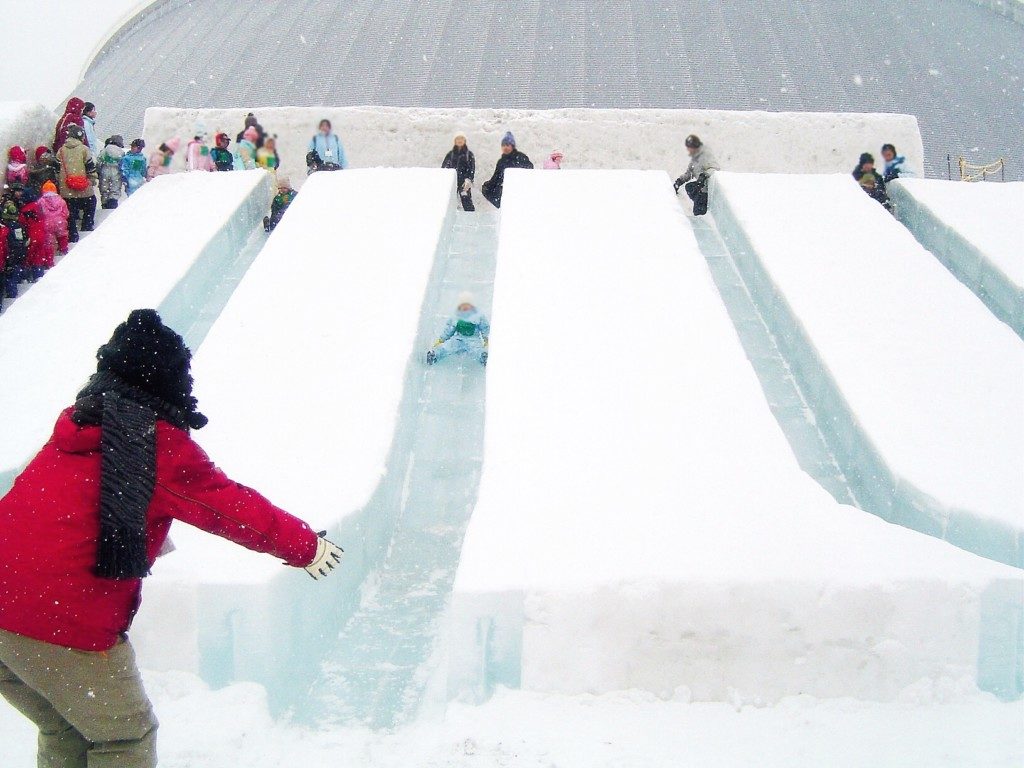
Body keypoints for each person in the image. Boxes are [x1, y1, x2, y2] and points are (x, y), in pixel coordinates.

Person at [0, 309, 343, 768]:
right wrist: (306, 546)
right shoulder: (150, 443)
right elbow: (226, 506)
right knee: (125, 738)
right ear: (169, 381)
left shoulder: (79, 426)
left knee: (67, 726)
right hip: (58, 621)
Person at [426, 292, 490, 366]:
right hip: (458, 338)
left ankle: (483, 357)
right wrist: (442, 339)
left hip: (473, 339)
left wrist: (486, 338)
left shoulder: (478, 315)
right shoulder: (456, 315)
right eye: (463, 305)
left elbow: (484, 327)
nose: (465, 307)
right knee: (448, 347)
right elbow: (450, 328)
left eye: (467, 305)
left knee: (476, 349)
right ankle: (434, 355)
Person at [58, 124, 98, 241]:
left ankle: (72, 235)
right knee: (91, 203)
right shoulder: (84, 149)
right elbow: (90, 167)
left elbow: (56, 166)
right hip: (82, 187)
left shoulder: (61, 150)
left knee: (69, 212)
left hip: (66, 187)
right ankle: (87, 226)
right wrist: (92, 179)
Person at [481, 132, 533, 208]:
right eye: (503, 145)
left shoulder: (521, 157)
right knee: (488, 189)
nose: (505, 147)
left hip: (519, 189)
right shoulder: (501, 161)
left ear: (512, 146)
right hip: (504, 189)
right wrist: (487, 186)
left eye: (507, 145)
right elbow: (496, 178)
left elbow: (529, 171)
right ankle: (503, 208)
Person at [673, 134, 719, 216]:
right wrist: (679, 182)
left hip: (706, 189)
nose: (688, 149)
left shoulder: (706, 155)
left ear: (694, 146)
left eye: (689, 147)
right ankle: (701, 207)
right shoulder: (695, 159)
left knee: (698, 211)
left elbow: (715, 168)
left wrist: (704, 176)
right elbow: (689, 174)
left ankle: (702, 211)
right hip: (700, 187)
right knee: (689, 186)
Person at [18, 187, 51, 280]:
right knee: (39, 257)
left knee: (28, 257)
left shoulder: (24, 210)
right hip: (41, 234)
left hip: (31, 236)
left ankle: (27, 278)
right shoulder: (39, 206)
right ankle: (38, 276)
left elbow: (22, 223)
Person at [442, 134, 476, 212]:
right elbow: (444, 167)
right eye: (457, 138)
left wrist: (469, 179)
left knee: (466, 200)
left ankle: (470, 218)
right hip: (451, 181)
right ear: (454, 141)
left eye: (462, 138)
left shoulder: (469, 154)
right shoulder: (450, 154)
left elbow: (472, 168)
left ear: (465, 141)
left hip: (464, 182)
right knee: (448, 201)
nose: (459, 140)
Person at [39, 180, 70, 256]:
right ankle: (64, 250)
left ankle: (50, 257)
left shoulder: (41, 201)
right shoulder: (61, 200)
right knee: (62, 236)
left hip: (47, 223)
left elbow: (40, 213)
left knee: (48, 241)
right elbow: (66, 213)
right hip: (60, 222)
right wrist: (63, 218)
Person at [97, 135, 126, 209]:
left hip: (104, 172)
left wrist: (98, 172)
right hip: (116, 173)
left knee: (105, 191)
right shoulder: (121, 152)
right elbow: (122, 165)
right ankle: (112, 206)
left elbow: (99, 162)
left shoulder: (105, 150)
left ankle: (104, 205)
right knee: (114, 191)